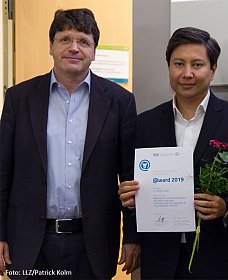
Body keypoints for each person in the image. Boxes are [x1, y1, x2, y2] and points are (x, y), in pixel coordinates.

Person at [118, 26, 228, 279]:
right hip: (159, 262)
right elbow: (132, 187)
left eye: (197, 65)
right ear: (168, 67)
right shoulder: (145, 124)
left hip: (217, 262)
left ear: (212, 71)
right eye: (179, 64)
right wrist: (129, 199)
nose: (187, 73)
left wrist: (226, 206)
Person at [0, 8, 140, 279]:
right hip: (30, 241)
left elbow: (130, 177)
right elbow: (3, 171)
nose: (74, 48)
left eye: (83, 41)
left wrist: (132, 236)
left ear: (94, 50)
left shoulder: (120, 102)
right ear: (51, 46)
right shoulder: (19, 98)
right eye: (65, 39)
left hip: (91, 243)